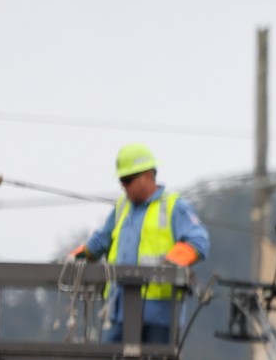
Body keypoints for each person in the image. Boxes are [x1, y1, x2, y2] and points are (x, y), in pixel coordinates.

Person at [74, 143, 209, 346]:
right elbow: (100, 240)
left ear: (147, 175)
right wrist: (75, 258)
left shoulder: (174, 206)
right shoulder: (121, 207)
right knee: (108, 357)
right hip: (122, 308)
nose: (123, 186)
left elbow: (198, 242)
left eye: (127, 180)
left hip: (160, 312)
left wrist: (173, 262)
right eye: (121, 181)